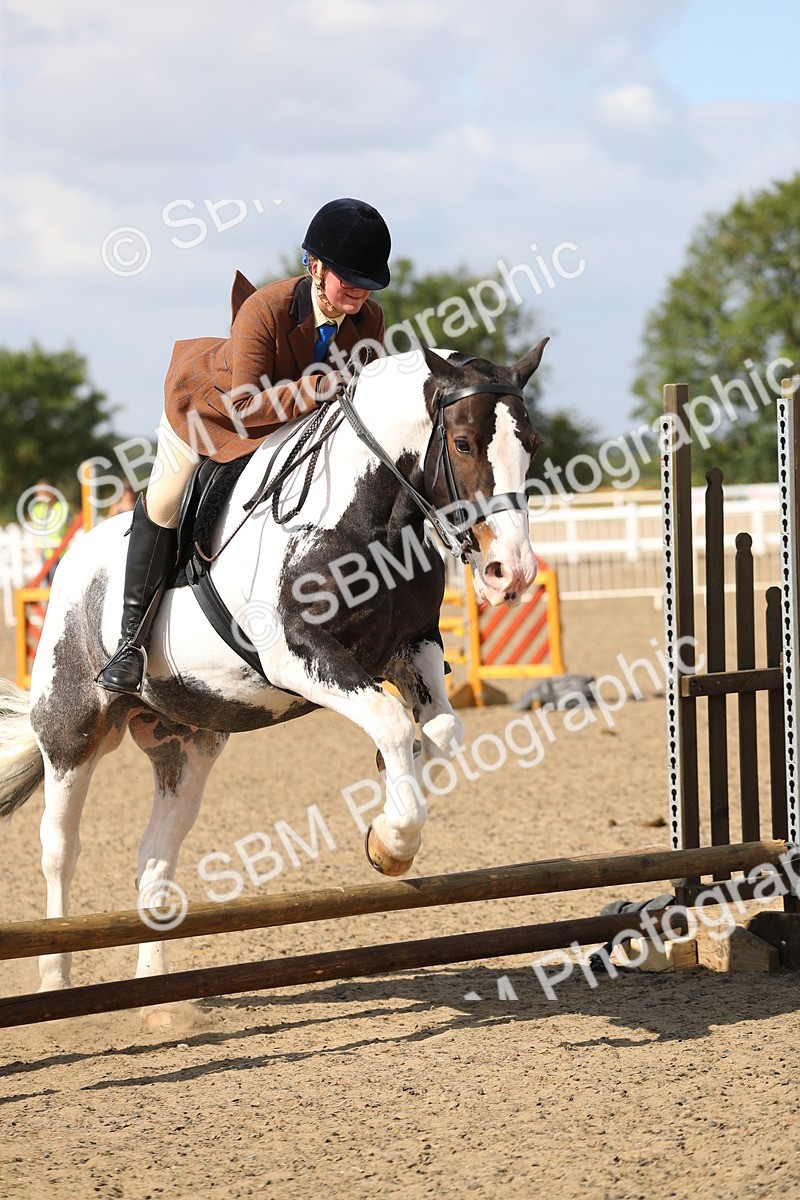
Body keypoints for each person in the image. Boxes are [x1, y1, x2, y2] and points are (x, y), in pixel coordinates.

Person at [97, 197, 391, 694]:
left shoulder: (369, 320)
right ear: (315, 267)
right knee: (167, 500)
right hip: (208, 414)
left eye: (369, 281)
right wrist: (320, 388)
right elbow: (245, 407)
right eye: (349, 278)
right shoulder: (266, 308)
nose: (360, 290)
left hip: (288, 426)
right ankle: (130, 644)